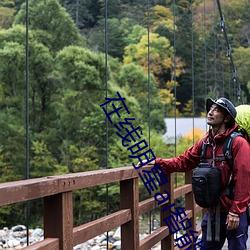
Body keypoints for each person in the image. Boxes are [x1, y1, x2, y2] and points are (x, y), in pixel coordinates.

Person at [137, 97, 250, 250]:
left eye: (216, 110)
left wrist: (236, 212)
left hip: (233, 211)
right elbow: (184, 161)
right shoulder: (205, 143)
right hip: (213, 211)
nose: (210, 112)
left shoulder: (238, 143)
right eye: (210, 109)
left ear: (227, 118)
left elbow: (244, 178)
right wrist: (157, 162)